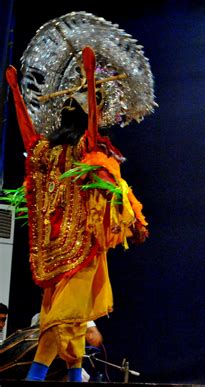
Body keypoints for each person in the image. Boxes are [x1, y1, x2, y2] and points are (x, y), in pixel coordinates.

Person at [5, 11, 155, 381]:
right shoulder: (50, 152)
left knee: (58, 320)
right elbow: (28, 141)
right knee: (64, 328)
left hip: (85, 249)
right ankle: (70, 376)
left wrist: (89, 78)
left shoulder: (92, 151)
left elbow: (89, 130)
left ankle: (38, 378)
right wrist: (16, 97)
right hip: (56, 249)